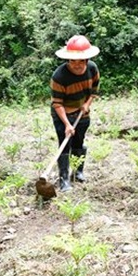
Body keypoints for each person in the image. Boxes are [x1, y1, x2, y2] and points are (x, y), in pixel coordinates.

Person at [51, 35, 100, 192]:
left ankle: (78, 172)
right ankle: (64, 179)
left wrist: (87, 104)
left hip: (82, 114)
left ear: (86, 59)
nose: (76, 64)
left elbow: (94, 91)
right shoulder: (59, 76)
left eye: (80, 60)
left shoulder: (92, 69)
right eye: (72, 61)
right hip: (63, 115)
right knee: (65, 146)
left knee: (79, 142)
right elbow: (57, 103)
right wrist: (67, 124)